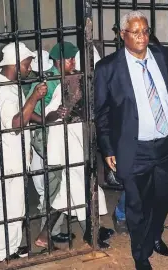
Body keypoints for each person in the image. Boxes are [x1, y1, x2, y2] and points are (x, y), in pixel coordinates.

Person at [94, 11, 168, 270]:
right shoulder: (108, 68)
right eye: (135, 32)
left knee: (164, 197)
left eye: (145, 30)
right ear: (123, 35)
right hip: (134, 148)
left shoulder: (163, 57)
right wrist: (108, 147)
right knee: (137, 205)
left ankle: (155, 235)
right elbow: (102, 113)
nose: (142, 36)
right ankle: (140, 255)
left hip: (165, 145)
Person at [34, 66, 114, 250]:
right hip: (68, 149)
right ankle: (90, 234)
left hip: (78, 147)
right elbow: (50, 116)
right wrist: (61, 112)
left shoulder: (82, 99)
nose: (77, 86)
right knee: (84, 190)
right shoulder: (62, 96)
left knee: (68, 194)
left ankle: (46, 234)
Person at [0, 42, 48, 262]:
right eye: (27, 63)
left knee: (14, 205)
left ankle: (11, 247)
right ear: (16, 63)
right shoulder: (3, 90)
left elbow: (23, 114)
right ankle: (3, 253)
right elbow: (16, 123)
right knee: (10, 206)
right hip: (6, 157)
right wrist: (34, 97)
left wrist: (45, 119)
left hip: (10, 154)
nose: (29, 68)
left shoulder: (4, 82)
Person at [112, 33, 164, 236]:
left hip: (157, 139)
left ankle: (144, 219)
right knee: (133, 185)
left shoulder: (158, 64)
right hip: (134, 140)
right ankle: (122, 214)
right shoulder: (124, 71)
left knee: (152, 186)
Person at [27, 48, 75, 244]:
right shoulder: (48, 80)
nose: (73, 62)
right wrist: (47, 120)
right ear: (58, 60)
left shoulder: (66, 77)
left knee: (62, 180)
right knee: (56, 182)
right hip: (44, 135)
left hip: (56, 135)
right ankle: (45, 234)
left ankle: (52, 231)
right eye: (70, 58)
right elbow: (28, 111)